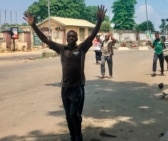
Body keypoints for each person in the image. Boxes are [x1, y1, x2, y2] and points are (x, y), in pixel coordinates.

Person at [23, 5, 106, 141]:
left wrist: (99, 22)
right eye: (70, 36)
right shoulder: (61, 49)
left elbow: (91, 37)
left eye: (74, 36)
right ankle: (73, 135)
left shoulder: (81, 48)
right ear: (67, 38)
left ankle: (78, 135)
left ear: (77, 38)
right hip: (65, 88)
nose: (72, 37)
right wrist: (34, 26)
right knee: (68, 116)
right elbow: (45, 40)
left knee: (75, 115)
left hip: (77, 88)